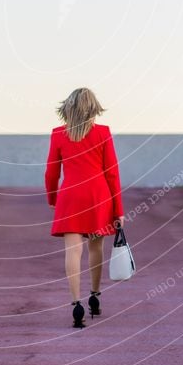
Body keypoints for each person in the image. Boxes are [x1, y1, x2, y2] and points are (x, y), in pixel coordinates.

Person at [44, 87, 125, 329]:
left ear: (67, 108)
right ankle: (95, 296)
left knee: (72, 251)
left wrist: (52, 199)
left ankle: (75, 303)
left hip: (70, 196)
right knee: (96, 247)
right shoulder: (103, 133)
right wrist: (118, 209)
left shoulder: (58, 134)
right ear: (93, 108)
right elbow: (112, 173)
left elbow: (51, 173)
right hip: (98, 196)